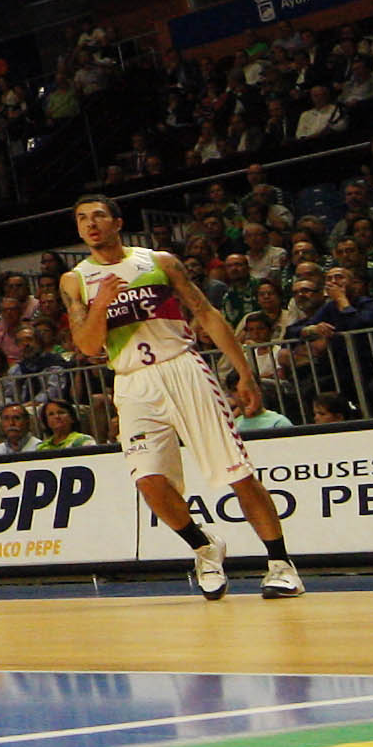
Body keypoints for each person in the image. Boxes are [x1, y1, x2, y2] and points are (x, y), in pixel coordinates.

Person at [61, 196, 299, 601]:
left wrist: (243, 373)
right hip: (131, 381)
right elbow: (86, 346)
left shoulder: (159, 262)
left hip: (183, 366)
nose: (90, 224)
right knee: (149, 481)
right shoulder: (76, 280)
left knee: (237, 472)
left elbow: (205, 313)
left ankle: (281, 565)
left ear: (118, 222)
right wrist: (100, 304)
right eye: (82, 218)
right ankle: (204, 547)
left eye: (98, 215)